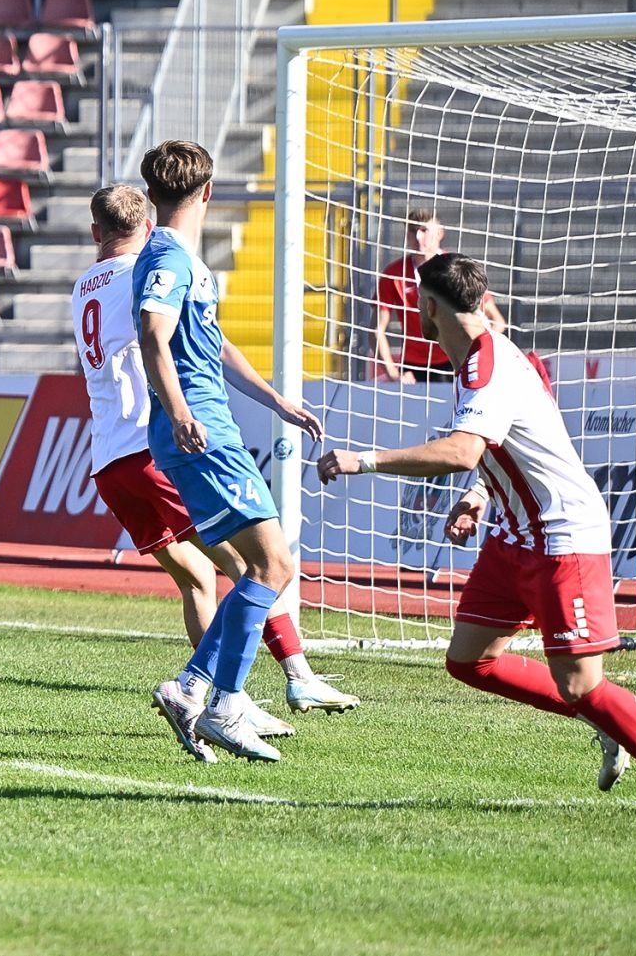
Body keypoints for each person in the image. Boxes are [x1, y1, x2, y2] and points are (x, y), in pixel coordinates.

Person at [318, 253, 636, 818]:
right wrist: (480, 495)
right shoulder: (480, 358)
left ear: (427, 308)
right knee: (470, 661)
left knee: (581, 685)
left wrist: (363, 460)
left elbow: (463, 450)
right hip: (515, 535)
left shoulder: (489, 367)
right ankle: (607, 719)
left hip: (562, 535)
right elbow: (515, 446)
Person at [73, 186, 357, 738]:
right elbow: (193, 341)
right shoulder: (151, 268)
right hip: (156, 449)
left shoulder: (85, 284)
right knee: (255, 565)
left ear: (95, 234)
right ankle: (270, 683)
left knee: (201, 579)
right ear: (148, 226)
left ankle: (227, 696)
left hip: (109, 460)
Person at [133, 142, 324, 763]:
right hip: (200, 432)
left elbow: (212, 345)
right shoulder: (167, 257)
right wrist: (181, 412)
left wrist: (277, 401)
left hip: (202, 428)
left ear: (152, 194)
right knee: (273, 566)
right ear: (208, 193)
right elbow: (152, 335)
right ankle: (223, 704)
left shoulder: (184, 260)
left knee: (258, 569)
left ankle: (193, 689)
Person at [373, 207, 506, 383]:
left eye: (424, 230)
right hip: (413, 367)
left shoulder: (456, 268)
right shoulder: (394, 274)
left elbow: (497, 321)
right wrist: (394, 374)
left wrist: (473, 355)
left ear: (440, 233)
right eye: (412, 231)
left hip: (454, 361)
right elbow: (376, 329)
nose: (418, 237)